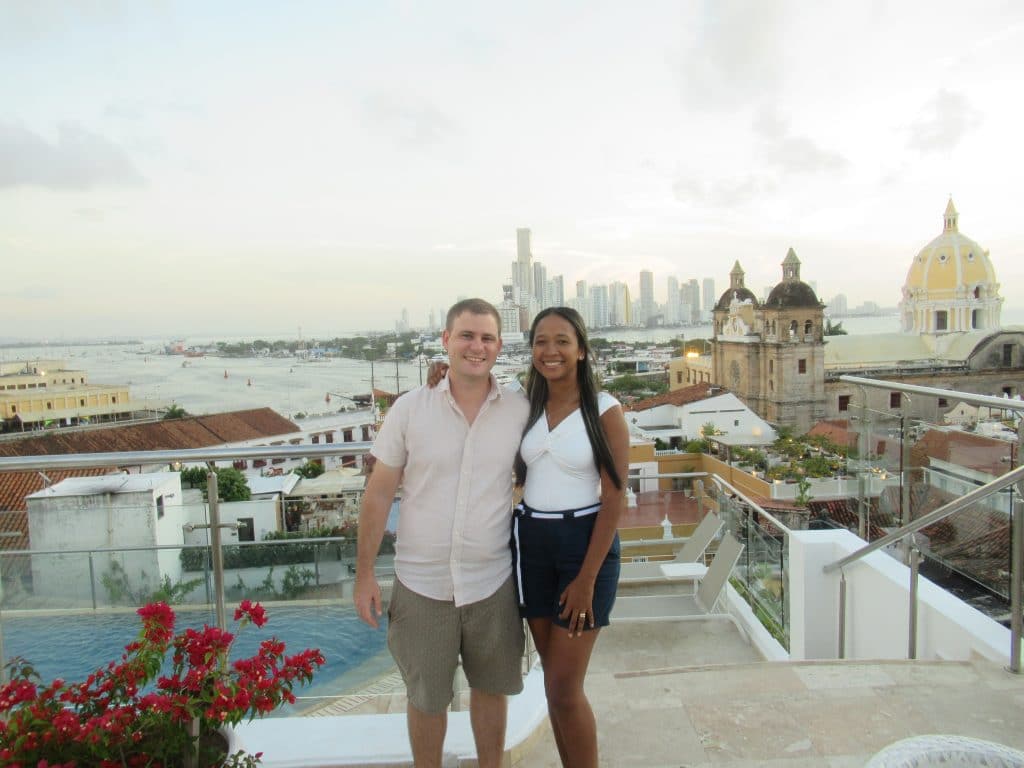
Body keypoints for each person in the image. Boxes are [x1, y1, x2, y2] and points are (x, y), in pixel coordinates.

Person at [354, 298, 528, 768]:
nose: (477, 346)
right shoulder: (411, 409)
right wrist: (365, 573)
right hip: (421, 583)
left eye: (487, 338)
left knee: (492, 691)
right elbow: (378, 493)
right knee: (426, 698)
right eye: (467, 336)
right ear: (446, 340)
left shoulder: (519, 409)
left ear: (499, 345)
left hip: (491, 581)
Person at [513, 306, 628, 768]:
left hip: (584, 542)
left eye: (562, 341)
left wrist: (586, 579)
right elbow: (473, 398)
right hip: (531, 543)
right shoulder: (526, 404)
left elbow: (614, 499)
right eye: (541, 341)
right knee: (552, 686)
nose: (551, 350)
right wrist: (441, 376)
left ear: (581, 350)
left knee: (564, 687)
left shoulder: (605, 410)